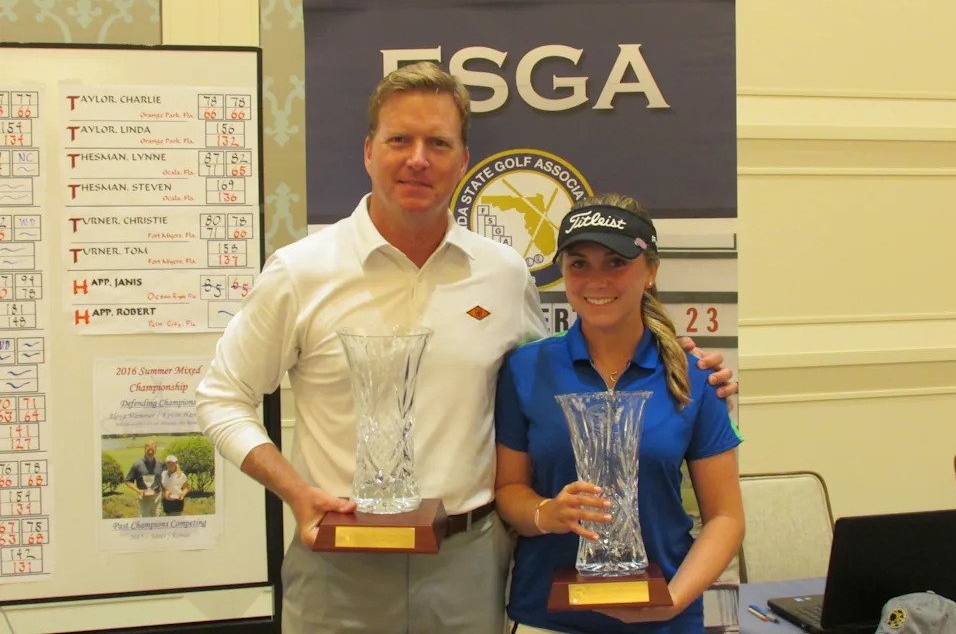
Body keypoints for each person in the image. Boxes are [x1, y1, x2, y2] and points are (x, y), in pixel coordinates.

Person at [195, 62, 738, 634]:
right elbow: (221, 398)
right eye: (399, 140)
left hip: (470, 566)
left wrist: (677, 361)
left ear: (462, 161)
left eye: (438, 143)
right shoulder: (300, 271)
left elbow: (560, 370)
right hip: (339, 562)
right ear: (368, 152)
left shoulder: (503, 273)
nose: (418, 159)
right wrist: (296, 492)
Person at [495, 194, 745, 634]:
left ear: (651, 271)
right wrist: (546, 512)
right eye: (579, 264)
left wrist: (671, 602)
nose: (597, 280)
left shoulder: (693, 375)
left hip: (666, 619)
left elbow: (726, 517)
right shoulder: (525, 369)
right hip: (550, 617)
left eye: (616, 262)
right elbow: (509, 490)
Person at [124, 441, 163, 518]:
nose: (150, 452)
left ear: (156, 450)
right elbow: (127, 480)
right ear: (145, 449)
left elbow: (164, 476)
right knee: (145, 519)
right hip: (144, 497)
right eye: (148, 449)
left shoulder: (160, 463)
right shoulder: (137, 464)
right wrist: (138, 491)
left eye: (153, 449)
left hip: (157, 497)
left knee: (157, 519)